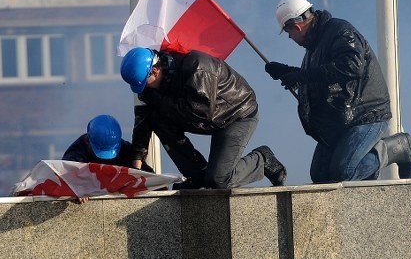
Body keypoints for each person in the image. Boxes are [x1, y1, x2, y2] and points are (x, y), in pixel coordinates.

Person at [264, 0, 411, 183]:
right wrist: (289, 72)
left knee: (343, 172)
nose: (289, 37)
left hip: (366, 114)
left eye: (288, 32)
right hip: (341, 119)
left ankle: (394, 149)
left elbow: (351, 67)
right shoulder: (315, 45)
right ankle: (367, 178)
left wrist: (302, 76)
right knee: (320, 175)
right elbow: (322, 75)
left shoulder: (340, 32)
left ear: (296, 26)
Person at [119, 46, 286, 190]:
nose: (143, 90)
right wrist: (136, 167)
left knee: (218, 181)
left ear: (155, 71)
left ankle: (262, 160)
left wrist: (159, 102)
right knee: (156, 119)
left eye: (144, 83)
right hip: (210, 119)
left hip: (237, 114)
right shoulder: (150, 86)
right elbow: (143, 121)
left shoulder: (197, 67)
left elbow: (201, 112)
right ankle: (197, 176)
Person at [62, 114, 153, 203]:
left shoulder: (125, 149)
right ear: (88, 140)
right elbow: (63, 174)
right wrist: (76, 187)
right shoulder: (78, 151)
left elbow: (149, 177)